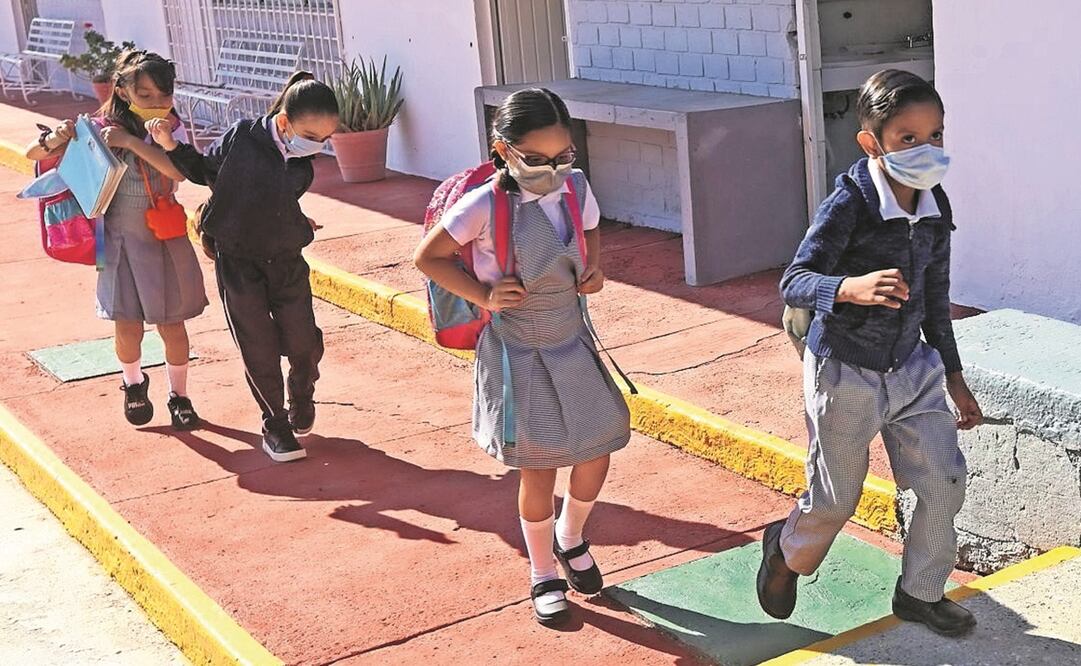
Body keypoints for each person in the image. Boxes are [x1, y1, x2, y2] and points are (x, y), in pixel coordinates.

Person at [759, 69, 984, 637]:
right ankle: (786, 553)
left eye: (934, 134)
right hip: (844, 371)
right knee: (835, 499)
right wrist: (847, 289)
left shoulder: (936, 204)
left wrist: (953, 377)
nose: (926, 148)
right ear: (872, 142)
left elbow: (936, 300)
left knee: (942, 480)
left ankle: (920, 594)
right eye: (908, 138)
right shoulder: (850, 203)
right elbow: (795, 281)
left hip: (913, 369)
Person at [414, 88, 631, 626]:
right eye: (536, 160)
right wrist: (483, 297)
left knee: (597, 446)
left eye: (563, 157)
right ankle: (542, 572)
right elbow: (429, 256)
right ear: (503, 150)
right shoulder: (484, 203)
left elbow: (591, 230)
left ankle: (571, 536)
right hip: (518, 348)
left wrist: (594, 269)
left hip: (571, 339)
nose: (552, 170)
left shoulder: (576, 189)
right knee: (540, 468)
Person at [156, 72, 338, 463]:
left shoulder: (302, 166)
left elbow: (276, 199)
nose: (318, 146)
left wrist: (296, 219)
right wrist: (171, 145)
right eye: (312, 135)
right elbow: (208, 173)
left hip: (286, 260)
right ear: (286, 123)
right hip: (238, 260)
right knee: (258, 344)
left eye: (325, 139)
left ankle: (302, 392)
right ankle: (276, 424)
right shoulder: (242, 138)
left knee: (304, 342)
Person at [25, 50, 207, 430]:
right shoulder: (96, 127)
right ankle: (133, 382)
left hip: (163, 238)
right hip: (119, 239)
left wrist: (133, 142)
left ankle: (180, 396)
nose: (158, 103)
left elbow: (180, 173)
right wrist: (59, 136)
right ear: (123, 92)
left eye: (165, 95)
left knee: (172, 325)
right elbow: (34, 153)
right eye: (146, 96)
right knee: (127, 325)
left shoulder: (172, 128)